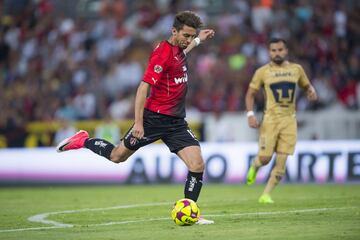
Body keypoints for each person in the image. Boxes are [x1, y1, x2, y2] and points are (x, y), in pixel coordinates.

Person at [57, 11, 215, 224]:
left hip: (176, 122)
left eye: (191, 36)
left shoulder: (179, 50)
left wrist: (198, 40)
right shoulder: (162, 54)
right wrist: (139, 123)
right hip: (152, 120)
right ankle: (83, 140)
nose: (188, 39)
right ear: (174, 31)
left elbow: (183, 51)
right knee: (117, 156)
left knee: (197, 165)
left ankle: (191, 212)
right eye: (186, 35)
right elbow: (143, 89)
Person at [245, 38, 318, 204]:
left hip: (289, 120)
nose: (277, 53)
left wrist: (311, 91)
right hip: (270, 120)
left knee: (282, 159)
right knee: (265, 158)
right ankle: (255, 165)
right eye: (273, 50)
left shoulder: (296, 69)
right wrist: (250, 114)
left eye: (280, 50)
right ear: (269, 52)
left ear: (286, 51)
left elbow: (307, 86)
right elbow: (250, 94)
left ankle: (266, 195)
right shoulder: (262, 72)